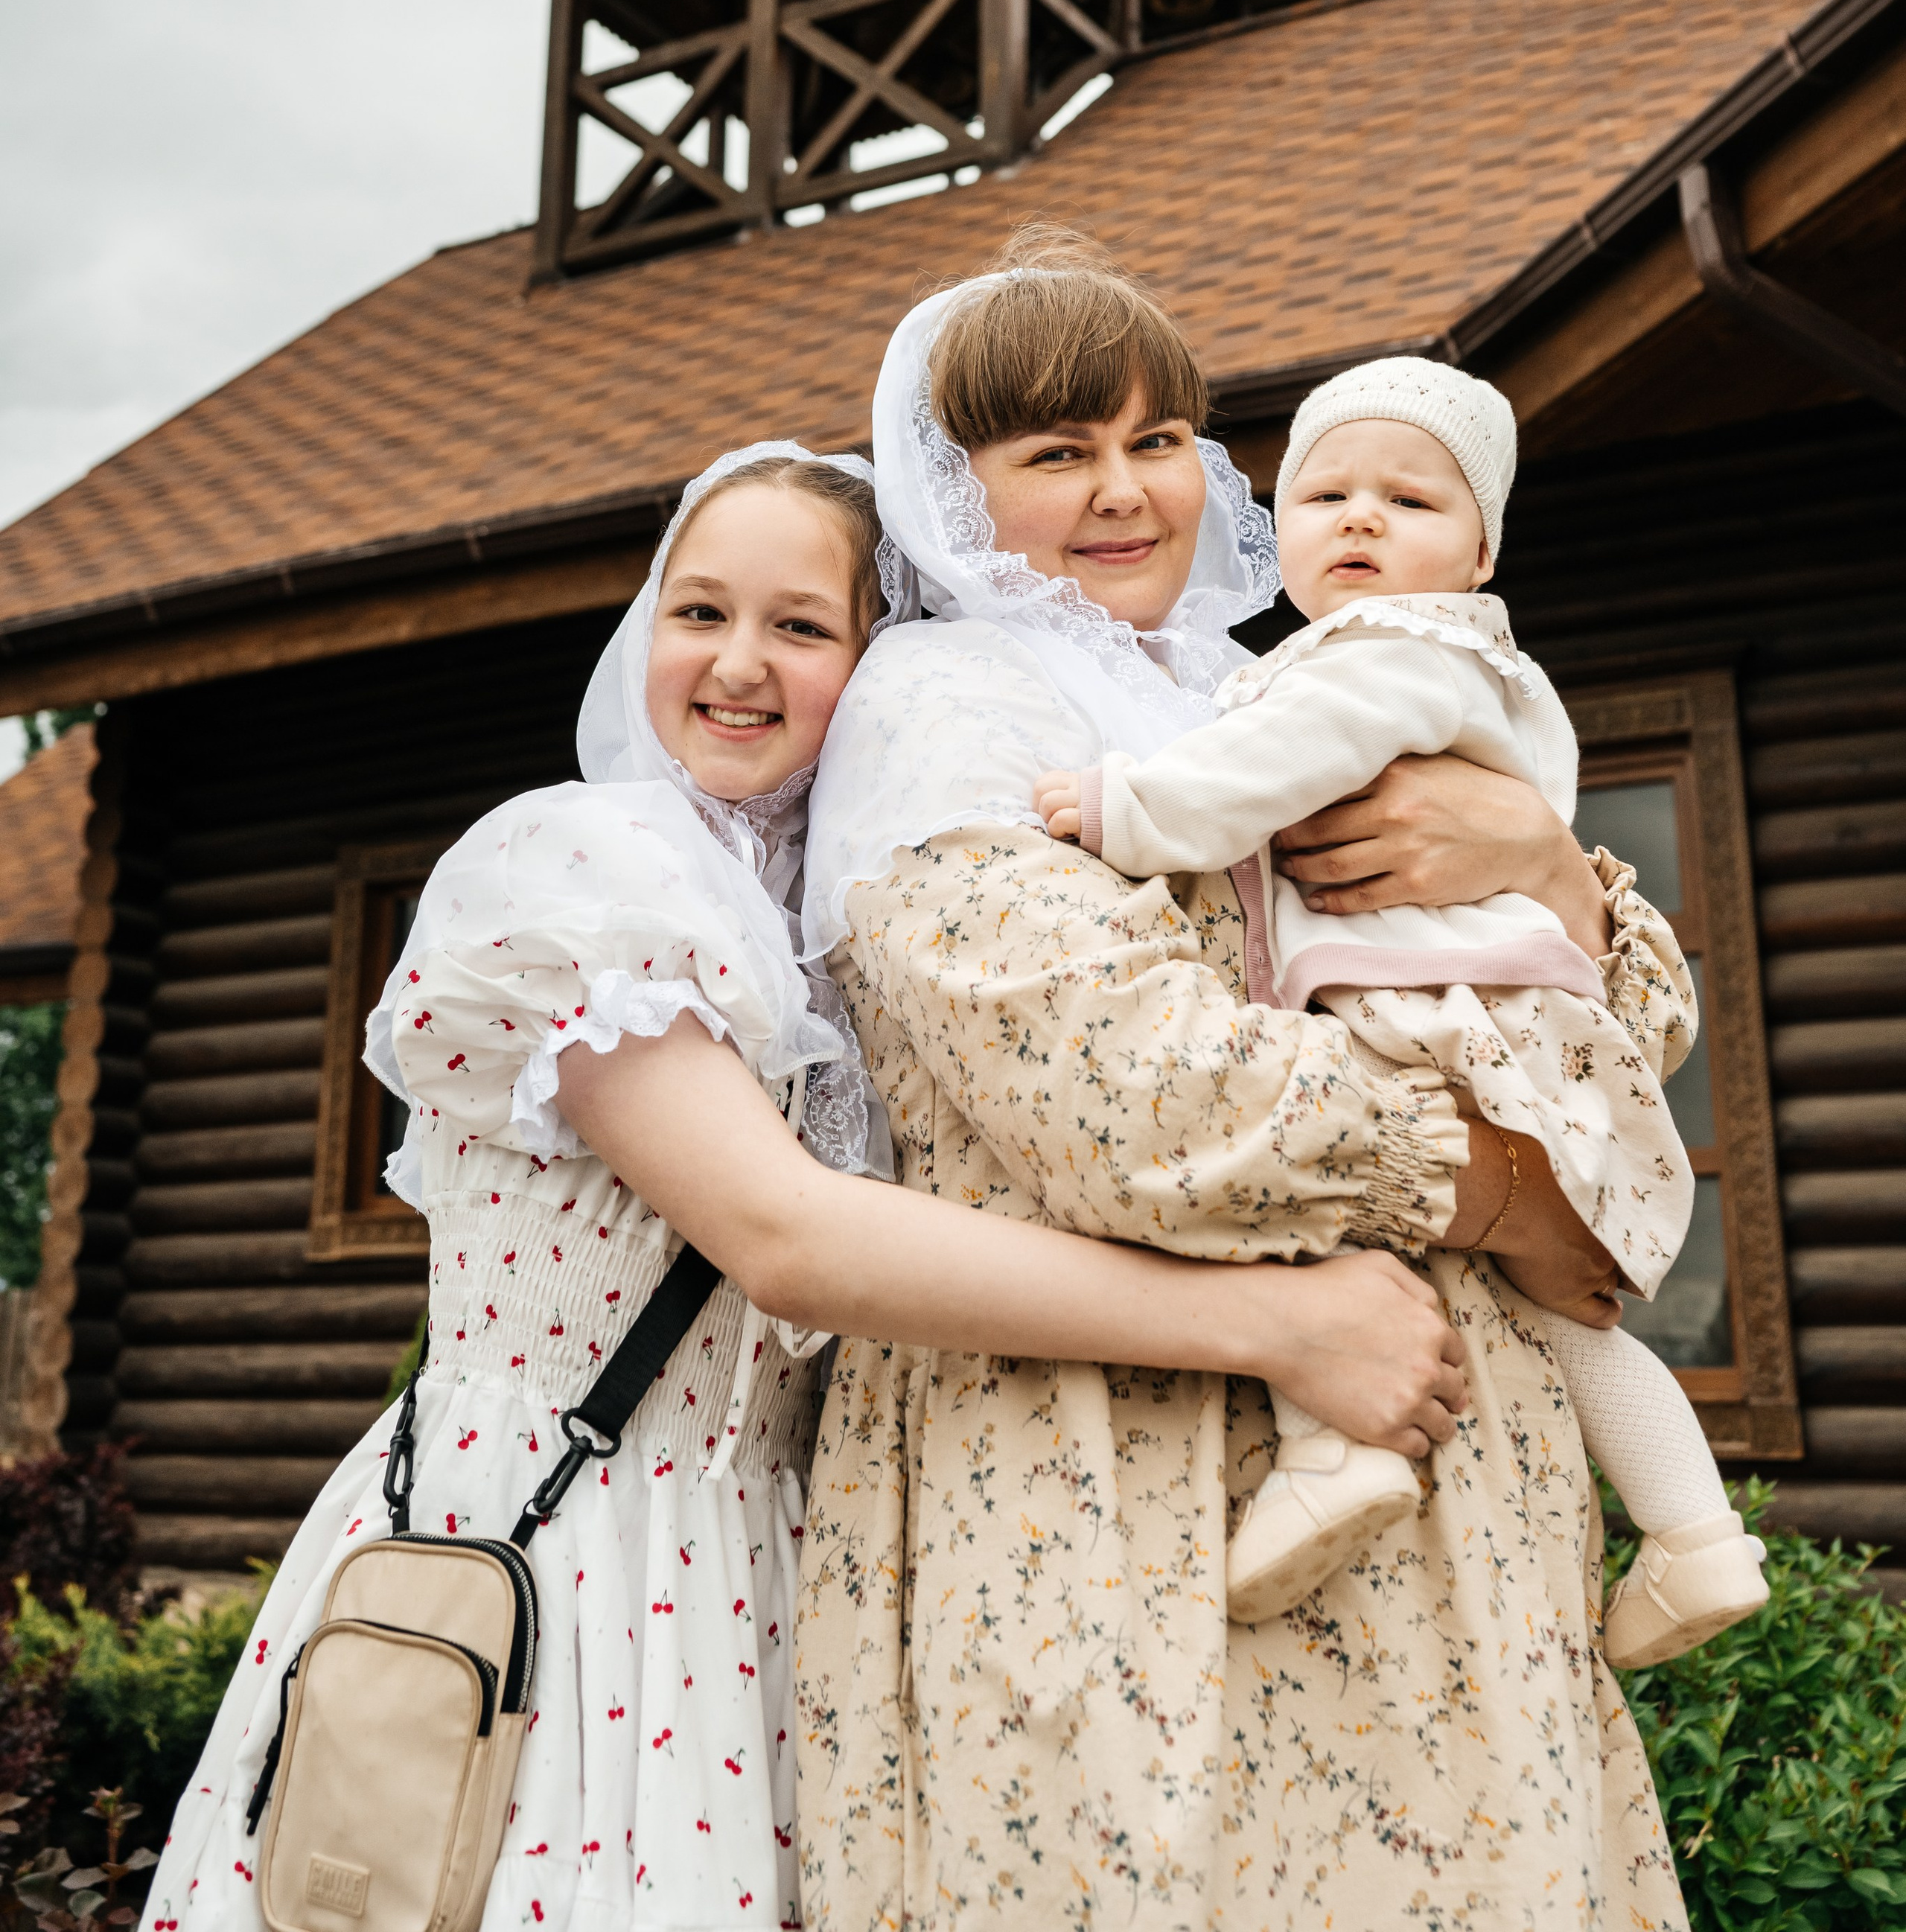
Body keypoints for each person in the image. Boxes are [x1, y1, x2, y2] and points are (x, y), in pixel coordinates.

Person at [145, 442, 1463, 1932]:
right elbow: (787, 1240)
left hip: (771, 1564)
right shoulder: (586, 870)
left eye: (799, 627)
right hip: (553, 1548)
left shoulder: (828, 941)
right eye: (699, 612)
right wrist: (1277, 1327)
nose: (736, 664)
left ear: (875, 666)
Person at [795, 232, 1698, 1932]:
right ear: (952, 489)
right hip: (1125, 1472)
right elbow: (1130, 1094)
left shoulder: (1275, 684)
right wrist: (1515, 1191)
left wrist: (1545, 867)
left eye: (1154, 440)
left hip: (1445, 1475)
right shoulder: (946, 705)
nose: (1123, 491)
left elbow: (1615, 1037)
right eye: (1054, 452)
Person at [1034, 351, 1768, 1662]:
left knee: (1310, 1174)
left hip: (1428, 1008)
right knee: (1560, 1309)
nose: (1361, 519)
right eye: (1325, 497)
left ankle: (1338, 1452)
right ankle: (1697, 1531)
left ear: (1480, 555)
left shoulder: (1390, 652)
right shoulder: (1440, 663)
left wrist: (1122, 810)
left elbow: (1272, 769)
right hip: (1503, 1008)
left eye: (1411, 501)